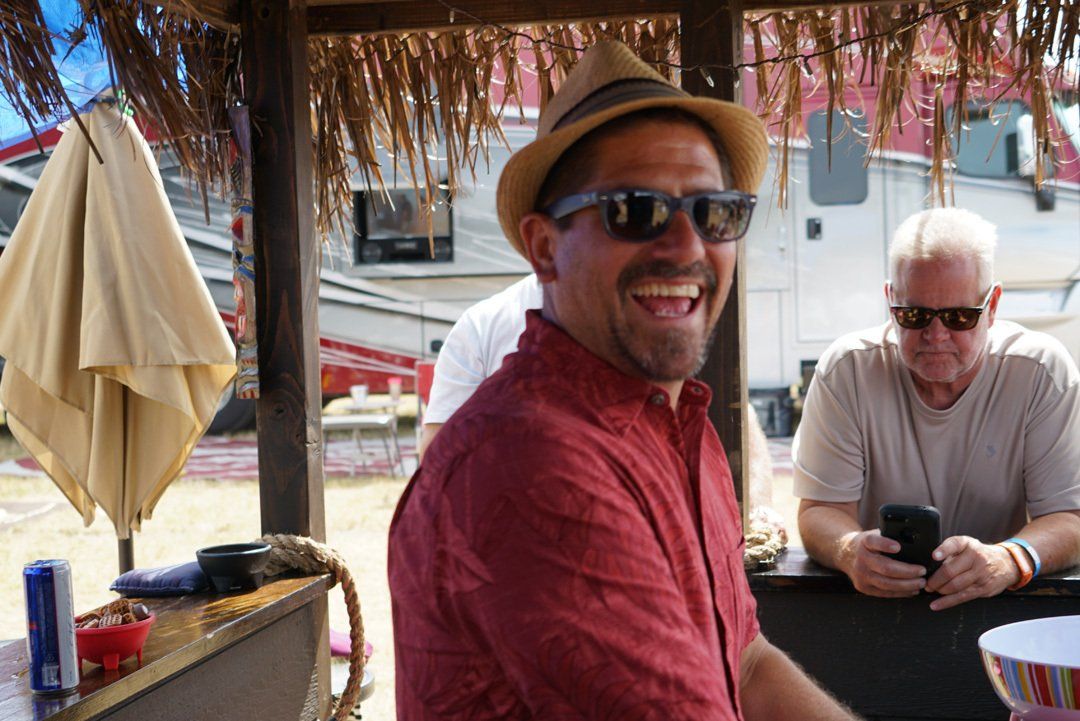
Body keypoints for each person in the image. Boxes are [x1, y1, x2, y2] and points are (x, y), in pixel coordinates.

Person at [389, 40, 855, 720]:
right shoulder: (527, 460)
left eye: (715, 212)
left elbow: (746, 663)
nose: (687, 245)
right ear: (545, 247)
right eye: (635, 211)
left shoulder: (681, 427)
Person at [794, 207, 1080, 611]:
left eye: (960, 317)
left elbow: (1070, 518)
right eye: (914, 316)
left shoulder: (1039, 371)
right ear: (890, 301)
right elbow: (820, 509)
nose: (936, 335)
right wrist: (848, 550)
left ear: (993, 306)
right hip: (877, 607)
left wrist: (1008, 559)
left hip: (999, 606)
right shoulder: (849, 369)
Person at [419, 272, 787, 540]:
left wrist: (757, 507)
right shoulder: (483, 325)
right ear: (541, 238)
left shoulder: (657, 316)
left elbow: (734, 411)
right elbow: (440, 462)